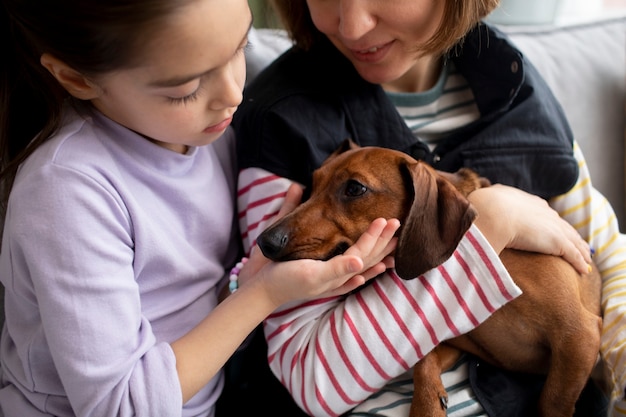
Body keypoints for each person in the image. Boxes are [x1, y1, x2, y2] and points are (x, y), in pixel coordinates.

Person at [0, 1, 414, 416]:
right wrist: (263, 293)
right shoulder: (67, 194)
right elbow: (123, 407)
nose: (234, 94)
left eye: (240, 47)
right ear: (75, 77)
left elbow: (187, 302)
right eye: (186, 89)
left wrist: (243, 282)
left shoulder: (208, 131)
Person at [230, 0, 626, 416]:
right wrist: (487, 224)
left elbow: (604, 254)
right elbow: (310, 378)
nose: (353, 25)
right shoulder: (279, 119)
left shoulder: (515, 82)